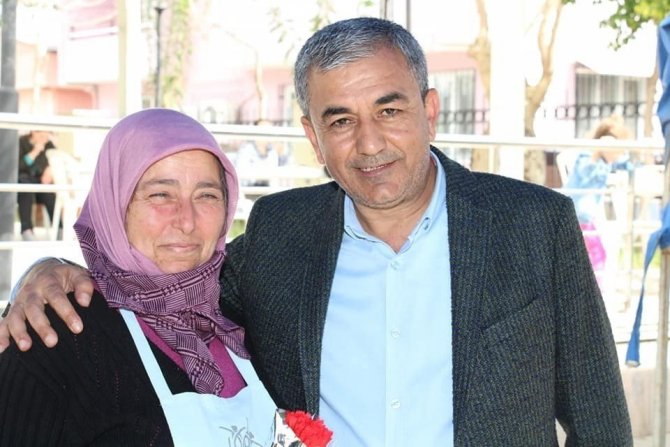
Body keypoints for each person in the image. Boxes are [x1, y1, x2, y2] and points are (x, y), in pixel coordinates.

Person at [0, 18, 632, 446]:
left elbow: (600, 423)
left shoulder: (533, 226)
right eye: (341, 120)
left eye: (390, 109)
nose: (370, 143)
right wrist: (48, 270)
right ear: (313, 137)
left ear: (430, 110)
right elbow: (165, 277)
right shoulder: (281, 234)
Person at [0, 108, 279, 446]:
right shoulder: (55, 335)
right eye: (161, 195)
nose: (187, 221)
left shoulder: (245, 317)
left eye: (207, 195)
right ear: (114, 204)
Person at [17, 130, 58, 240]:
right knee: (25, 189)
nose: (44, 138)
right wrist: (35, 151)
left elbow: (56, 160)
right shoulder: (22, 142)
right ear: (34, 132)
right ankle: (26, 230)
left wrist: (50, 170)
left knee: (49, 195)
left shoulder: (49, 145)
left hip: (41, 183)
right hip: (24, 181)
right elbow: (19, 166)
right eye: (41, 135)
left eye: (46, 135)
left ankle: (59, 228)